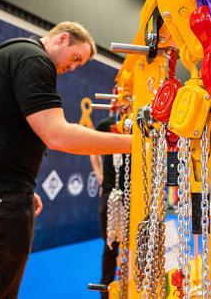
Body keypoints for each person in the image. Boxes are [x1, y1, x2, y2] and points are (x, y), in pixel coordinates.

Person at [0, 22, 132, 299]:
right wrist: (135, 144)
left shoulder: (15, 55)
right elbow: (58, 135)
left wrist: (23, 188)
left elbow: (3, 133)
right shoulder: (33, 59)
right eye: (76, 58)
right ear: (62, 38)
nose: (74, 67)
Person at [90, 115, 126, 296]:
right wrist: (99, 176)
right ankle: (106, 289)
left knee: (136, 244)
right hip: (110, 192)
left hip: (132, 193)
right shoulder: (106, 124)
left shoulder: (139, 123)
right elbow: (92, 150)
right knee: (110, 244)